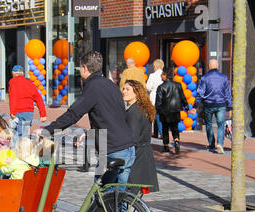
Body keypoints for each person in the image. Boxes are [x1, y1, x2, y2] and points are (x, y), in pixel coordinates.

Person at [37, 51, 136, 187]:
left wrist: (48, 130)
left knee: (101, 193)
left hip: (111, 149)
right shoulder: (111, 85)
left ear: (85, 68)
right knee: (120, 195)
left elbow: (73, 114)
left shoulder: (92, 87)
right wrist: (89, 133)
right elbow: (110, 117)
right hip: (128, 147)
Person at [122, 80, 159, 193]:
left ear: (136, 93)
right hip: (144, 154)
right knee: (133, 195)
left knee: (126, 193)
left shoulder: (134, 111)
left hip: (136, 156)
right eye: (123, 89)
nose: (124, 91)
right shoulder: (142, 108)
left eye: (128, 89)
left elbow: (133, 137)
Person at [195, 59, 232, 154]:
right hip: (221, 104)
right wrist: (229, 106)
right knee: (221, 125)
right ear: (217, 66)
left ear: (209, 66)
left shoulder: (205, 78)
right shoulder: (224, 77)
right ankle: (220, 143)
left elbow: (200, 93)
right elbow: (228, 93)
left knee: (209, 124)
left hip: (208, 104)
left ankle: (211, 144)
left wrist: (196, 105)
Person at [155, 68, 188, 154]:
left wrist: (157, 110)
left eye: (162, 74)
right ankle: (176, 140)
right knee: (175, 127)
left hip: (165, 111)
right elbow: (182, 97)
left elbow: (158, 101)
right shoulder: (178, 85)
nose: (161, 76)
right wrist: (186, 106)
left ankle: (166, 146)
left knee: (165, 129)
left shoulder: (161, 87)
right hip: (176, 110)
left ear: (165, 76)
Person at [8, 65, 47, 137]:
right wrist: (43, 114)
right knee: (24, 134)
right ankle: (25, 147)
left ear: (13, 73)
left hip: (18, 111)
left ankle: (18, 148)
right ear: (22, 74)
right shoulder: (30, 83)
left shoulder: (12, 82)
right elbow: (39, 98)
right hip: (29, 113)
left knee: (17, 134)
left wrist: (12, 112)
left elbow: (13, 97)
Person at [146, 59, 164, 139]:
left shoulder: (152, 75)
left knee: (156, 115)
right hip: (163, 98)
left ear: (156, 66)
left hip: (154, 97)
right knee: (158, 115)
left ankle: (161, 132)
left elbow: (148, 87)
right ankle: (156, 132)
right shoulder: (164, 74)